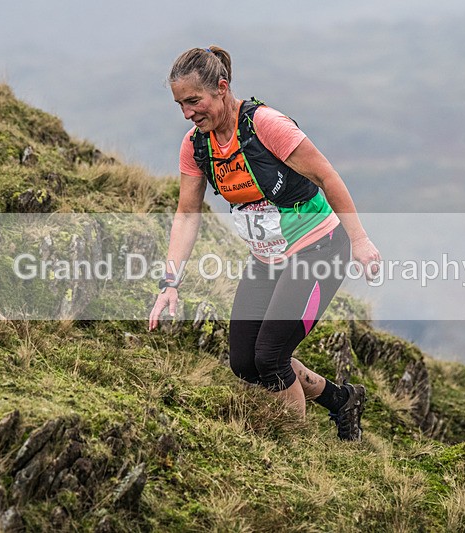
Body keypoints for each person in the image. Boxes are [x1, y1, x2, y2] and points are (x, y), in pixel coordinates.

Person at [148, 46, 381, 441]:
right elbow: (187, 214)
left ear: (222, 88)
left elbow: (327, 176)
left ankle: (295, 452)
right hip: (267, 258)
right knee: (244, 363)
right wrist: (170, 283)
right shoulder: (197, 145)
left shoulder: (266, 126)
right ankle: (341, 400)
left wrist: (359, 240)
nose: (187, 113)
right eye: (180, 104)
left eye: (194, 101)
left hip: (318, 248)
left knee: (270, 357)